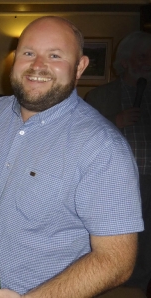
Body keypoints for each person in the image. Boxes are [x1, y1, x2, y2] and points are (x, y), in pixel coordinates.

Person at [0, 16, 143, 298]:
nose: (37, 66)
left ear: (80, 67)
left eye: (55, 55)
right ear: (15, 58)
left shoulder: (103, 148)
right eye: (28, 53)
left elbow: (116, 261)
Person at [85, 31, 151, 294]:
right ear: (124, 61)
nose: (148, 61)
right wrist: (116, 121)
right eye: (142, 56)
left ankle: (141, 283)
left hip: (150, 178)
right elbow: (85, 136)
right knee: (117, 235)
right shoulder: (100, 97)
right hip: (117, 179)